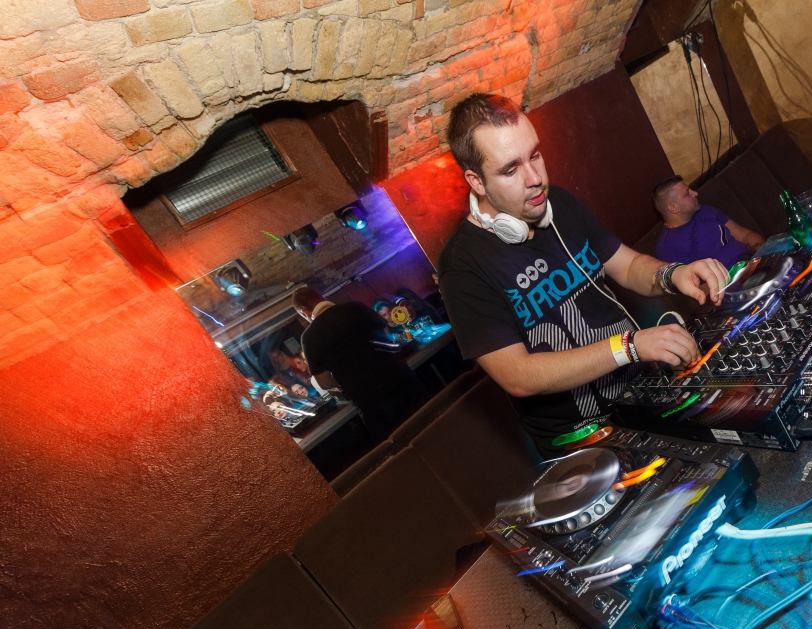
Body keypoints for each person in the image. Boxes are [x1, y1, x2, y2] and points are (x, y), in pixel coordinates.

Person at [437, 93, 730, 458]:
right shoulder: (462, 265)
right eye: (510, 170)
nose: (535, 179)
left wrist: (673, 273)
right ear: (477, 181)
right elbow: (518, 376)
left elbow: (627, 266)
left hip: (643, 391)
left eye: (535, 155)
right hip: (585, 441)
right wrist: (629, 346)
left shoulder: (558, 204)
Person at [292, 287, 428, 439]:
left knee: (404, 445)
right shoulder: (356, 307)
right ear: (323, 298)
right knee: (432, 426)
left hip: (372, 403)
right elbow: (388, 337)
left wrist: (344, 378)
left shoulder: (309, 338)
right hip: (403, 381)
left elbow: (323, 382)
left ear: (305, 312)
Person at [652, 175, 764, 269]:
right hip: (731, 282)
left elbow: (744, 235)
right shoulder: (667, 247)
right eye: (687, 194)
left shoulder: (704, 210)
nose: (695, 193)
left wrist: (764, 253)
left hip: (751, 260)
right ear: (673, 208)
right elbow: (695, 285)